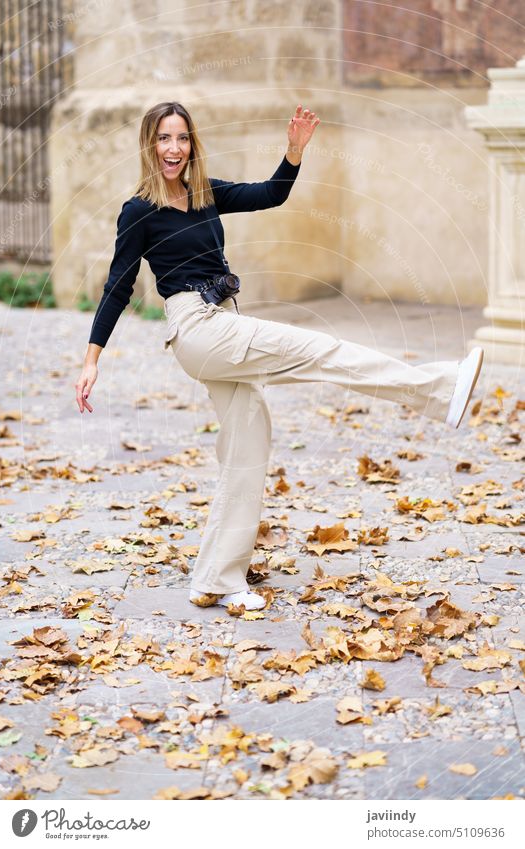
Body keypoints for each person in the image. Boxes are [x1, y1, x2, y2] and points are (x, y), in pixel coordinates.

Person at [75, 101, 484, 612]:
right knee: (323, 349)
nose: (173, 149)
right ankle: (439, 390)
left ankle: (215, 578)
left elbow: (270, 194)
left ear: (192, 144)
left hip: (221, 321)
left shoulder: (205, 193)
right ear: (148, 146)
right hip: (199, 329)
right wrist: (93, 359)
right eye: (163, 139)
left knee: (248, 441)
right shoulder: (139, 210)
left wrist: (293, 152)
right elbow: (118, 285)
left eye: (181, 138)